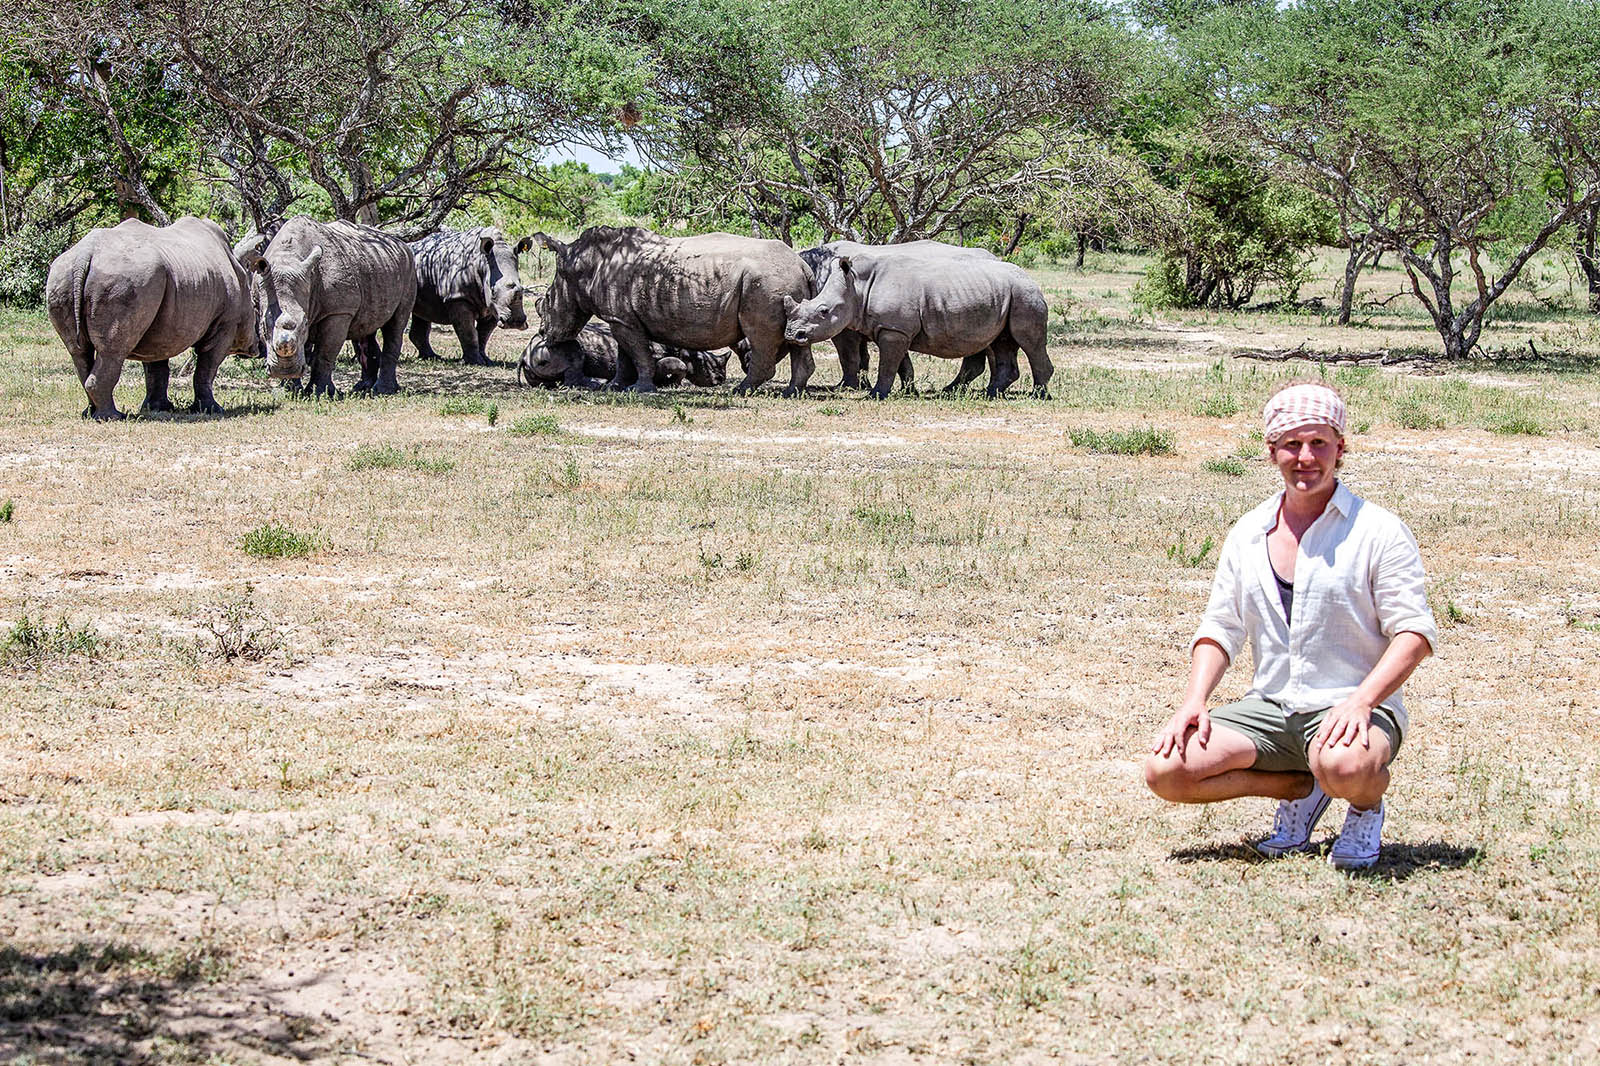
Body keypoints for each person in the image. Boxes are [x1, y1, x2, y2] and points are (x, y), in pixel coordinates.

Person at [1143, 381, 1437, 870]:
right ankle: (1300, 787)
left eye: (1319, 443)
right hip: (1274, 709)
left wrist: (1361, 702)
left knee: (1343, 761)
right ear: (1271, 451)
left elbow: (1414, 634)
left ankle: (1363, 807)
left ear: (1340, 448)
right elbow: (1220, 626)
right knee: (1166, 771)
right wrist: (1194, 702)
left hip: (1353, 706)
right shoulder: (1248, 532)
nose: (1306, 457)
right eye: (1292, 444)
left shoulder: (1377, 530)